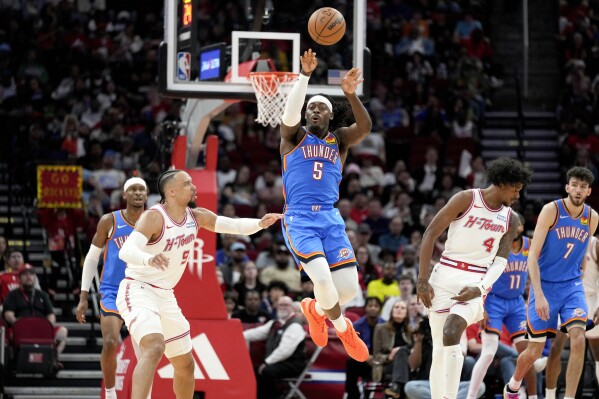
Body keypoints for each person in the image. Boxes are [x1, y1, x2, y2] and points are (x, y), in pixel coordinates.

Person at [115, 169, 282, 399]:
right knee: (154, 347)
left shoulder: (197, 216)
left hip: (165, 294)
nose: (194, 187)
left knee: (186, 365)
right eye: (187, 183)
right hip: (138, 288)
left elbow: (231, 225)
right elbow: (126, 250)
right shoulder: (154, 217)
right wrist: (149, 258)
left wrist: (260, 223)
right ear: (171, 191)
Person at [279, 49, 372, 361]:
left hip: (331, 220)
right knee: (321, 279)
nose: (315, 111)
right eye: (311, 108)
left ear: (331, 116)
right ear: (306, 116)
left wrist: (350, 95)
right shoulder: (292, 138)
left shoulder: (340, 140)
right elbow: (289, 115)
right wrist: (304, 76)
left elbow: (366, 128)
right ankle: (343, 327)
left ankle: (314, 310)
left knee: (347, 290)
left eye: (322, 108)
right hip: (300, 219)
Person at [417, 157, 532, 399]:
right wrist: (422, 280)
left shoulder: (510, 219)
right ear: (502, 183)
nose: (517, 196)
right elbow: (430, 234)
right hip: (444, 274)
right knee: (439, 348)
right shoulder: (466, 199)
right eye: (516, 189)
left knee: (452, 331)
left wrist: (480, 288)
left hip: (475, 280)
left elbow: (501, 262)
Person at [503, 166, 598, 399]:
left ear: (589, 191)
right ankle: (513, 385)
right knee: (534, 351)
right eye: (574, 185)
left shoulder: (592, 217)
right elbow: (532, 257)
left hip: (572, 287)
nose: (578, 190)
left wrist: (580, 276)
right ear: (567, 187)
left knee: (578, 338)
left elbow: (583, 252)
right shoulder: (551, 210)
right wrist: (538, 294)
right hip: (544, 285)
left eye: (583, 187)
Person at [75, 177, 148, 399]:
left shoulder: (154, 221)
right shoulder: (110, 220)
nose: (137, 193)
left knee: (147, 350)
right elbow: (91, 259)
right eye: (133, 189)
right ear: (124, 195)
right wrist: (83, 296)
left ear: (146, 195)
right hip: (112, 290)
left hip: (142, 290)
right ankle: (110, 393)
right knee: (109, 341)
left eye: (142, 190)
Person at [466, 212, 538, 399]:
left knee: (527, 352)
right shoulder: (496, 247)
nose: (509, 227)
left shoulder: (530, 245)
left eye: (513, 224)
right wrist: (481, 307)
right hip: (494, 302)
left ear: (521, 227)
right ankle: (471, 396)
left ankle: (530, 395)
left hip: (516, 304)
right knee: (489, 353)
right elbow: (480, 278)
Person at [542, 232, 599, 399]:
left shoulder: (595, 244)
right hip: (566, 298)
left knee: (597, 354)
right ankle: (550, 396)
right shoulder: (560, 239)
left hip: (591, 300)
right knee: (555, 348)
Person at [242, 296, 307, 399]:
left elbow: (285, 350)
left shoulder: (295, 325)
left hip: (293, 363)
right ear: (276, 306)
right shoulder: (275, 323)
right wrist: (238, 335)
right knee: (252, 370)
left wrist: (267, 362)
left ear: (292, 308)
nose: (283, 307)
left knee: (266, 371)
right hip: (279, 362)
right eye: (281, 305)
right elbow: (257, 333)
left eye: (286, 305)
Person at [3, 264, 68, 359]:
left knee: (63, 331)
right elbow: (8, 315)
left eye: (31, 274)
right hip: (20, 329)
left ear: (35, 278)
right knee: (9, 334)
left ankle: (53, 359)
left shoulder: (43, 295)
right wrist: (19, 325)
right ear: (19, 279)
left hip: (40, 328)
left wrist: (48, 326)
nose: (28, 277)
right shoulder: (12, 295)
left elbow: (51, 314)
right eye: (25, 275)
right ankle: (14, 359)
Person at [344, 296, 384, 399]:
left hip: (382, 362)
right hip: (364, 362)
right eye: (370, 306)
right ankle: (353, 395)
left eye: (376, 306)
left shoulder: (386, 324)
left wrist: (380, 358)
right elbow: (353, 347)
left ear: (379, 308)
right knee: (351, 362)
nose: (373, 308)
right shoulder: (357, 325)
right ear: (365, 308)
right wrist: (367, 357)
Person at [373, 299, 413, 398]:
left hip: (407, 365)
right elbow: (376, 355)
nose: (399, 309)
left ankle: (396, 387)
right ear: (392, 311)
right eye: (396, 307)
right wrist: (389, 357)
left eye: (403, 308)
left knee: (402, 351)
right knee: (403, 352)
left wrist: (399, 350)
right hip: (387, 365)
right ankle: (397, 386)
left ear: (406, 313)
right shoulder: (380, 328)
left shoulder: (411, 331)